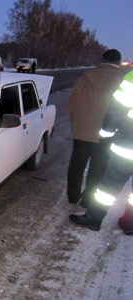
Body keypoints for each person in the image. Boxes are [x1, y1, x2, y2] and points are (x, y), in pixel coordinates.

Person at [70, 70, 133, 235]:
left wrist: (105, 135)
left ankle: (93, 218)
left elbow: (116, 110)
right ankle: (130, 223)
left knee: (109, 186)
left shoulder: (132, 78)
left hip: (128, 146)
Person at [66, 49, 125, 208]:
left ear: (102, 60)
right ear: (118, 63)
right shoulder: (123, 82)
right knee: (98, 167)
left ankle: (72, 195)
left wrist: (75, 123)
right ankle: (87, 199)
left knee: (77, 165)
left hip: (82, 130)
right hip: (108, 133)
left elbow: (71, 106)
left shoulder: (83, 79)